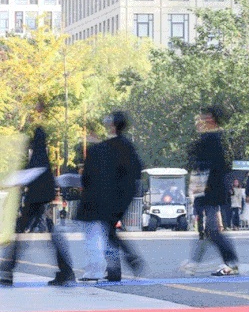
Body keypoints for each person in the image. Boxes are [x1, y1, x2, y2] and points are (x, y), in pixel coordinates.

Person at [0, 127, 75, 286]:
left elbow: (32, 173)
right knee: (49, 235)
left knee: (21, 235)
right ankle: (66, 271)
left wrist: (10, 181)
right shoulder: (43, 156)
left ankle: (7, 271)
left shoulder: (37, 156)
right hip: (41, 199)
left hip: (35, 200)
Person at [78, 111, 145, 283]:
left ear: (113, 125)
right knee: (110, 232)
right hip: (124, 195)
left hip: (109, 196)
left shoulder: (105, 148)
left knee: (108, 232)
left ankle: (126, 261)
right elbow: (137, 169)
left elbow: (92, 175)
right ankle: (118, 268)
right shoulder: (126, 145)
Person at [181, 106, 240, 277]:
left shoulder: (213, 139)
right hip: (208, 191)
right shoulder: (212, 138)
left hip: (211, 191)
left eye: (203, 118)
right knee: (209, 231)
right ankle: (195, 262)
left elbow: (214, 168)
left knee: (212, 231)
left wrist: (205, 190)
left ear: (211, 120)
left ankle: (230, 262)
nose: (199, 122)